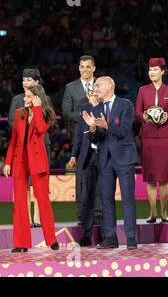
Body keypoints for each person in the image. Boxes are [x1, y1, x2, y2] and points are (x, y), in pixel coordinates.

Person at [82, 76, 140, 250]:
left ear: (109, 86)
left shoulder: (125, 105)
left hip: (124, 158)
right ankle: (110, 237)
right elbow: (96, 138)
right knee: (106, 199)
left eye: (98, 85)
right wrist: (92, 128)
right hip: (105, 159)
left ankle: (131, 238)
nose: (96, 88)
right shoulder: (97, 107)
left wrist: (107, 126)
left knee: (128, 199)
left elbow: (124, 131)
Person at [3, 85, 59, 253]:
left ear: (37, 98)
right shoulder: (19, 112)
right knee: (19, 202)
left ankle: (51, 239)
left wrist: (36, 108)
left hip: (37, 162)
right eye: (25, 96)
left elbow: (41, 129)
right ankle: (20, 243)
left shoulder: (45, 113)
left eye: (28, 97)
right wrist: (7, 163)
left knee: (43, 200)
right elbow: (13, 141)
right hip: (20, 162)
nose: (24, 99)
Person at [8, 68, 53, 228]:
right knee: (24, 185)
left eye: (28, 80)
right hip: (23, 147)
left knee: (40, 185)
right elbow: (11, 121)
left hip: (41, 145)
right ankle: (26, 218)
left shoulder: (45, 98)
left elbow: (49, 119)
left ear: (37, 82)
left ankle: (38, 218)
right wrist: (25, 129)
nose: (25, 83)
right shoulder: (17, 99)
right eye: (23, 80)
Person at [135, 57, 168, 223]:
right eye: (150, 70)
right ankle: (152, 213)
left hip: (165, 137)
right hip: (148, 137)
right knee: (151, 177)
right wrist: (146, 116)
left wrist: (164, 116)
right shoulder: (142, 90)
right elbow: (137, 112)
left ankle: (164, 213)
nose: (151, 72)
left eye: (155, 69)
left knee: (164, 177)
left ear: (162, 71)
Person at [62, 55, 101, 225]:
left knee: (101, 179)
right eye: (81, 67)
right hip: (81, 138)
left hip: (101, 137)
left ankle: (99, 215)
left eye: (87, 67)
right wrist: (84, 116)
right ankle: (82, 216)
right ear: (78, 68)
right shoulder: (70, 88)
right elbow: (65, 113)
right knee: (81, 181)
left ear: (93, 68)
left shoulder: (102, 85)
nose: (84, 70)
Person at [69, 86, 102, 247]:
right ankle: (87, 234)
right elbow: (79, 134)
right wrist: (74, 154)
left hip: (102, 156)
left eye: (96, 90)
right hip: (86, 157)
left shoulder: (105, 107)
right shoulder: (84, 109)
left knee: (102, 196)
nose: (93, 93)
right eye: (91, 92)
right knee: (86, 196)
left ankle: (105, 233)